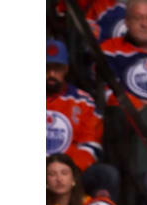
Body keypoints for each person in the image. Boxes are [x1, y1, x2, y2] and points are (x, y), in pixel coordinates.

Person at [46, 42, 107, 180]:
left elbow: (91, 143)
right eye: (46, 68)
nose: (51, 74)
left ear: (66, 69)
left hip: (72, 169)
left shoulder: (84, 102)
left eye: (57, 68)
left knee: (105, 175)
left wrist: (70, 170)